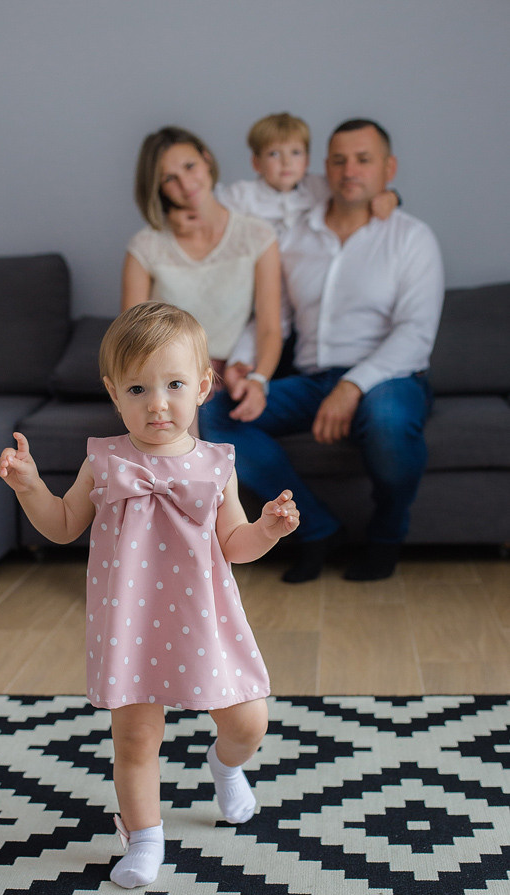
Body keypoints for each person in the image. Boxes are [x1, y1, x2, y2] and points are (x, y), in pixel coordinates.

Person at [0, 302, 299, 888]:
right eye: (138, 388)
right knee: (135, 738)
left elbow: (233, 544)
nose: (157, 403)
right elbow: (61, 525)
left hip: (203, 617)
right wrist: (29, 485)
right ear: (114, 394)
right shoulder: (104, 460)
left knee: (248, 721)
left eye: (175, 384)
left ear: (204, 386)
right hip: (130, 621)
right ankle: (143, 836)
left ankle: (225, 764)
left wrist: (266, 530)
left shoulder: (216, 465)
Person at [200, 119, 444, 583]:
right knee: (216, 415)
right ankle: (317, 528)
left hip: (390, 380)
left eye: (363, 159)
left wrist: (353, 386)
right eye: (339, 159)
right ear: (324, 169)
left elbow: (415, 334)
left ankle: (386, 536)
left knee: (389, 420)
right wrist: (242, 367)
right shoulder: (293, 239)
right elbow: (275, 319)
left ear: (388, 168)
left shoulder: (412, 238)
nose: (349, 169)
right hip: (313, 381)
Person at [213, 112, 399, 371]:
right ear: (256, 163)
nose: (286, 162)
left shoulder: (317, 187)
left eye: (296, 153)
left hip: (299, 284)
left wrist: (392, 196)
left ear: (308, 160)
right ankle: (243, 368)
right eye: (274, 154)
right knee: (258, 328)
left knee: (293, 338)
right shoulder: (243, 196)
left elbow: (358, 192)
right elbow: (208, 211)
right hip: (256, 285)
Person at [122, 126, 283, 422]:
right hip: (164, 384)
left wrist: (258, 380)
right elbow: (130, 339)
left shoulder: (256, 236)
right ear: (158, 188)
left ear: (207, 160)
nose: (186, 184)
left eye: (190, 166)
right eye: (170, 178)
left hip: (234, 377)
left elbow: (270, 328)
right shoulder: (145, 246)